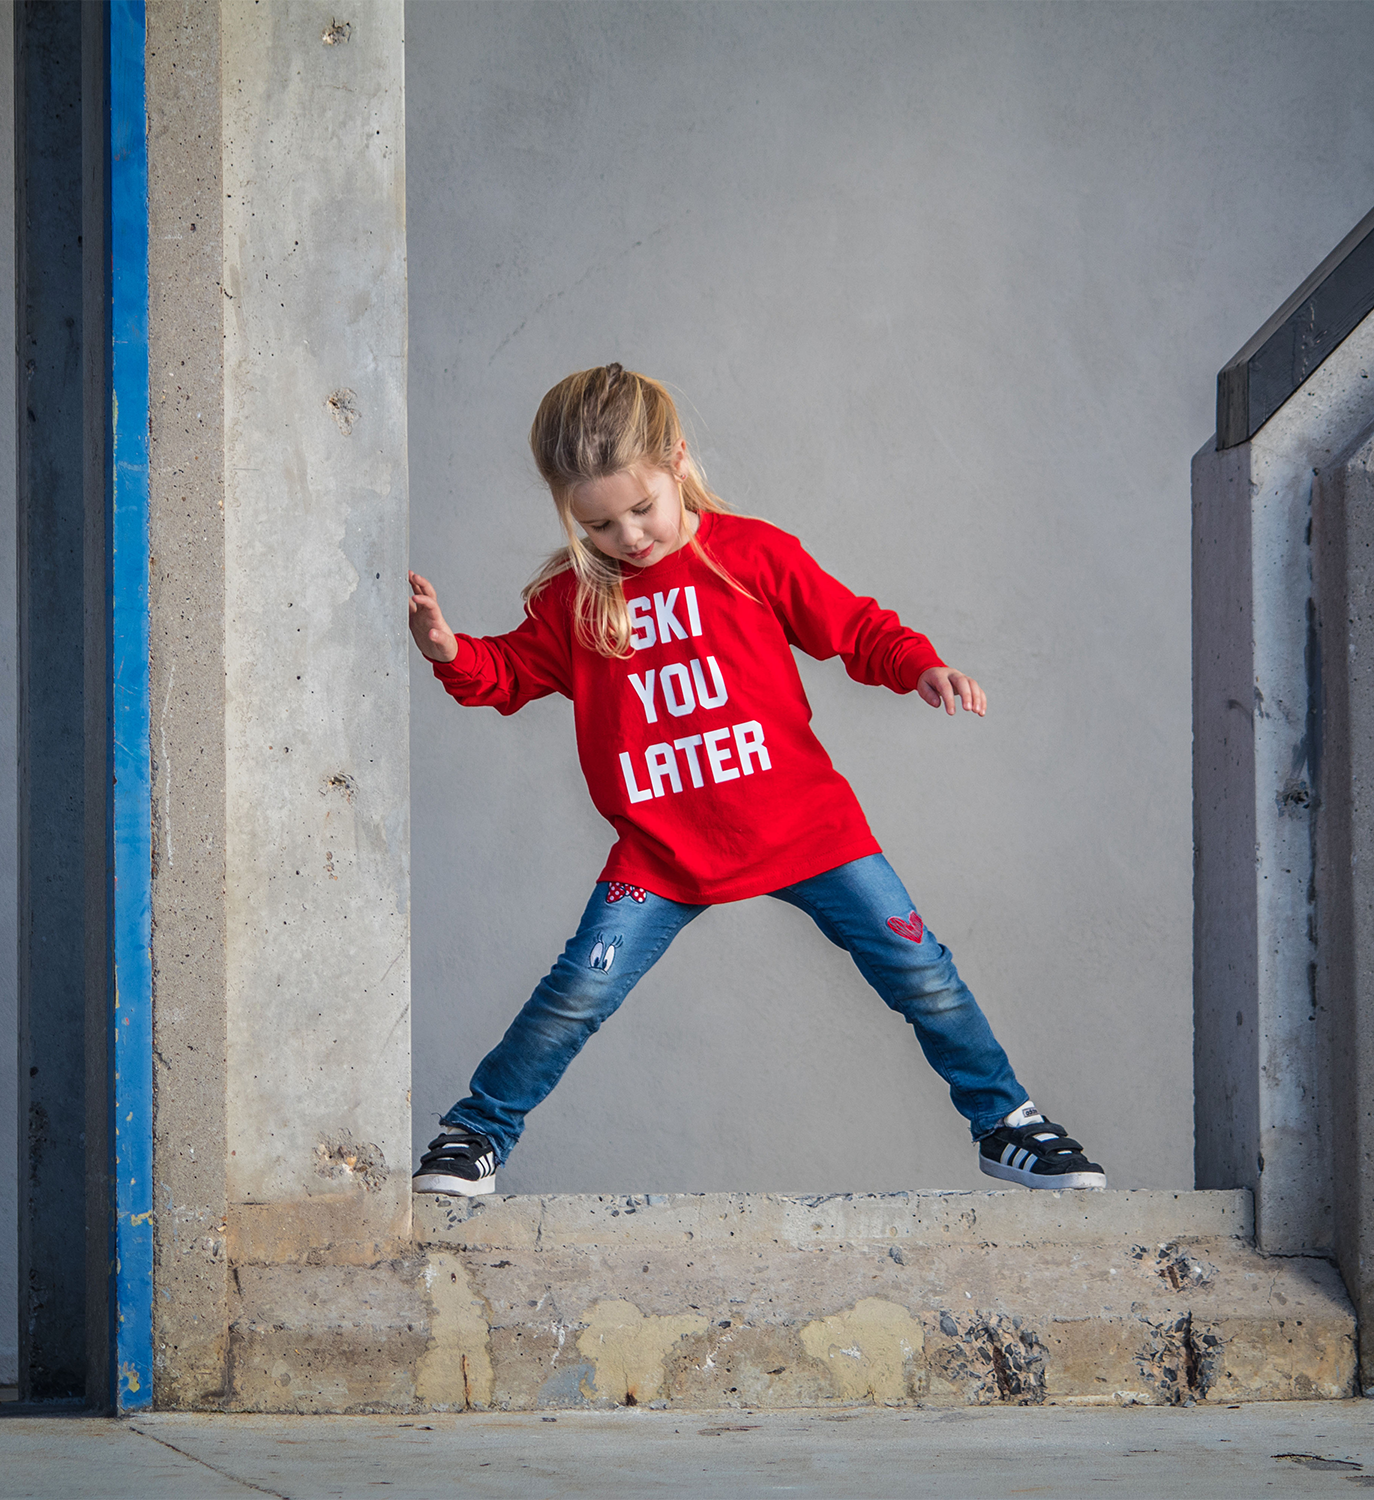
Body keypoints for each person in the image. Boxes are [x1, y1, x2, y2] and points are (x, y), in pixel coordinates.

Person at [407, 363, 1106, 1196]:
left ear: (677, 463)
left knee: (923, 972)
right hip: (662, 851)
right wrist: (451, 650)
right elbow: (509, 672)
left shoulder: (750, 556)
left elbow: (853, 626)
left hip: (808, 831)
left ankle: (1007, 1124)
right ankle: (476, 1133)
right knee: (576, 993)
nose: (628, 538)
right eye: (597, 525)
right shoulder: (575, 598)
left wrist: (921, 666)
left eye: (642, 509)